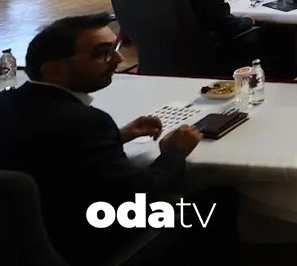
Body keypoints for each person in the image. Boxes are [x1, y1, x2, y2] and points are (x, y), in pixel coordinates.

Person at [0, 14, 212, 266]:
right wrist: (174, 153)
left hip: (19, 244)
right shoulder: (86, 122)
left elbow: (43, 153)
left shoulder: (7, 103)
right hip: (85, 244)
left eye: (115, 48)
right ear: (55, 69)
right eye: (102, 54)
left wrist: (116, 138)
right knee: (212, 203)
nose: (119, 59)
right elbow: (140, 198)